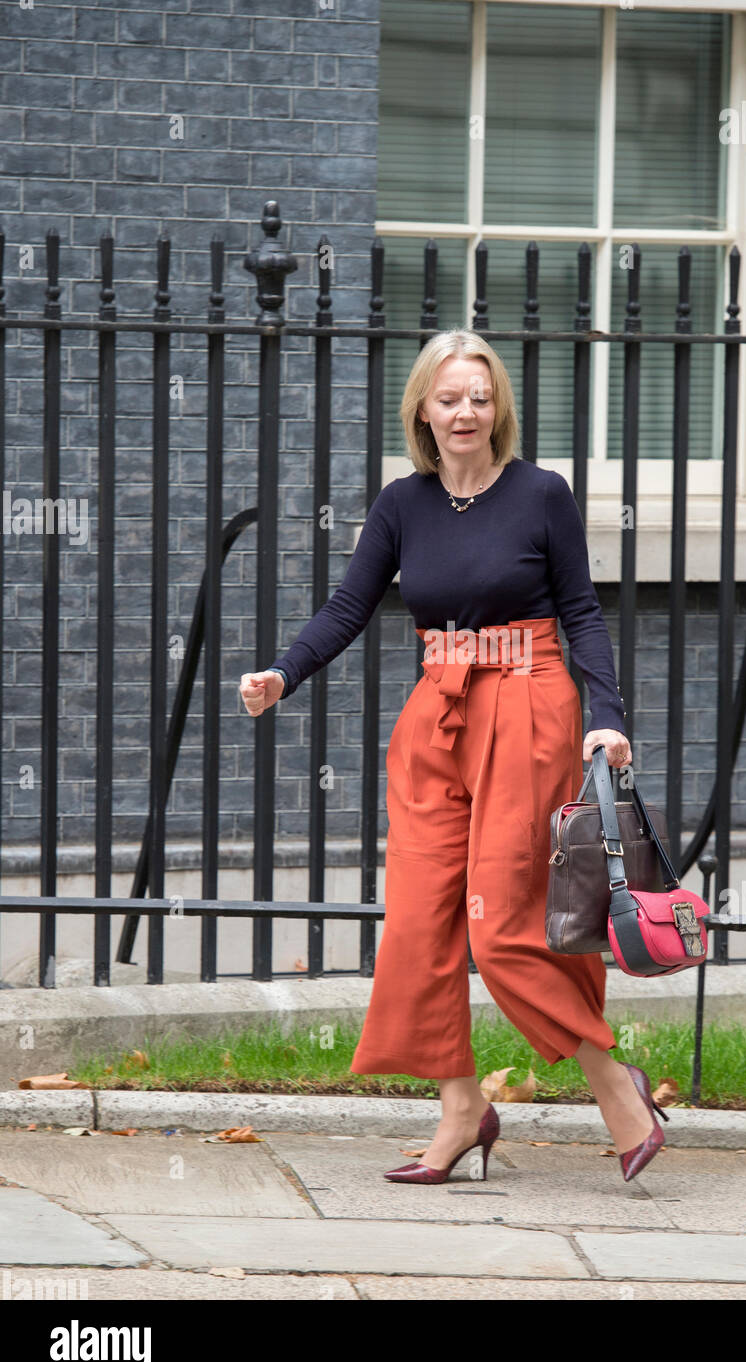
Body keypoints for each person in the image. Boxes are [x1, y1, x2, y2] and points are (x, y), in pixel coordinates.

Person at [240, 328, 667, 1184]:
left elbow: (581, 611)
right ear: (423, 412)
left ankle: (619, 1091)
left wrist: (606, 715)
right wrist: (284, 672)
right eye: (449, 398)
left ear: (497, 407)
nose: (465, 411)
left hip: (530, 707)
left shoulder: (540, 494)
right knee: (419, 924)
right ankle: (461, 1111)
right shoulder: (405, 504)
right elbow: (348, 606)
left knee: (506, 928)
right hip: (437, 717)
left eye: (479, 396)